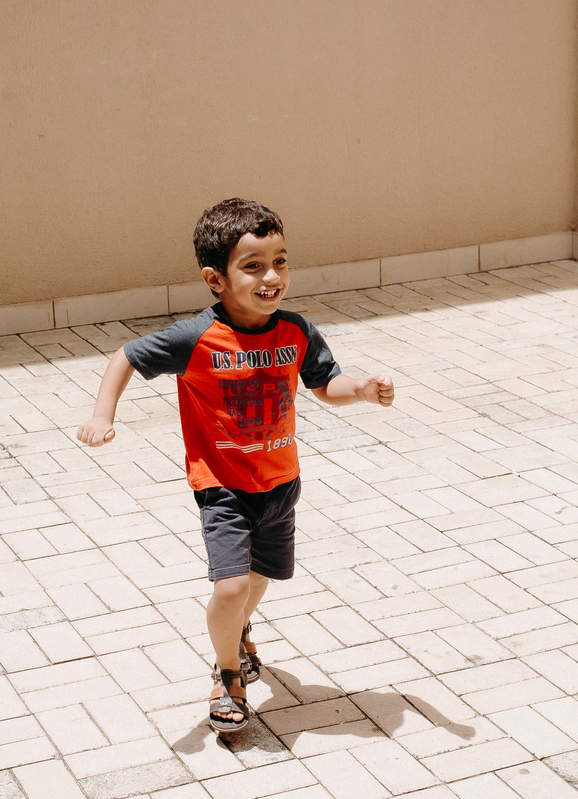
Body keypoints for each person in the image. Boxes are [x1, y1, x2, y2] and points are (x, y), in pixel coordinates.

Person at [77, 198, 395, 732]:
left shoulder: (296, 330)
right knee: (229, 587)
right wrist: (101, 414)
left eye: (280, 261)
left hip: (281, 482)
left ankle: (239, 630)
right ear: (215, 279)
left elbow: (324, 384)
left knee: (259, 578)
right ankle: (227, 674)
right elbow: (126, 356)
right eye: (253, 266)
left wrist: (360, 389)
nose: (272, 276)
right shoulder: (195, 337)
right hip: (221, 486)